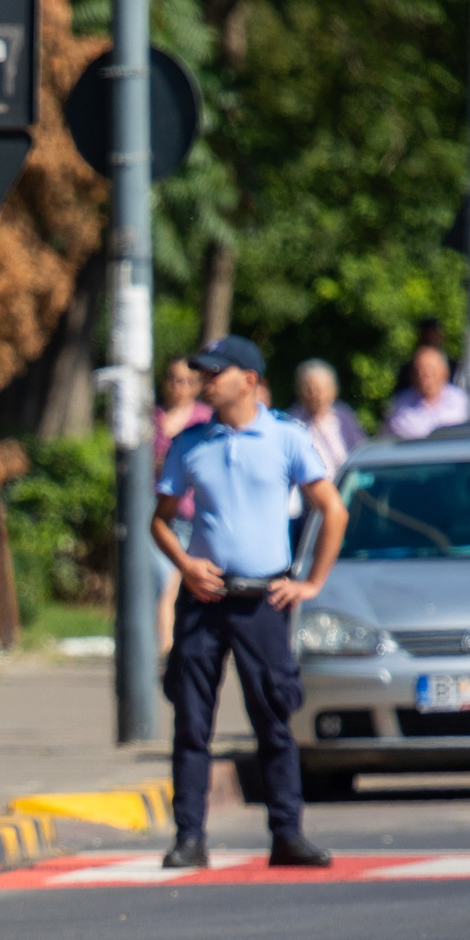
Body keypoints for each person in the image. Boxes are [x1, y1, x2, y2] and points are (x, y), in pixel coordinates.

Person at [152, 336, 344, 872]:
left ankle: (287, 832)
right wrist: (187, 565)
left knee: (274, 720)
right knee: (192, 723)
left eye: (217, 373)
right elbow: (160, 520)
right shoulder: (192, 444)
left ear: (249, 380)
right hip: (204, 598)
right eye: (203, 372)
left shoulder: (286, 436)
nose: (205, 381)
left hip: (262, 599)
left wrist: (310, 583)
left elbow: (332, 510)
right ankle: (189, 836)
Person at [153, 353, 214, 664]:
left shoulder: (203, 419)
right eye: (174, 379)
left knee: (170, 582)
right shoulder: (152, 418)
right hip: (156, 512)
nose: (180, 386)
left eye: (188, 381)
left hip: (189, 512)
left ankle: (167, 649)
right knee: (158, 581)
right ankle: (164, 646)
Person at [288, 359, 364, 473]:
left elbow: (360, 450)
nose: (314, 395)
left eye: (319, 390)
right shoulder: (292, 420)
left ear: (332, 390)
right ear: (298, 391)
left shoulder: (343, 416)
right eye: (308, 390)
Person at [382, 341, 470, 438]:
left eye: (431, 371)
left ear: (444, 373)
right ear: (413, 376)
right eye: (420, 372)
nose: (425, 377)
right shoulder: (400, 406)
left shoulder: (462, 402)